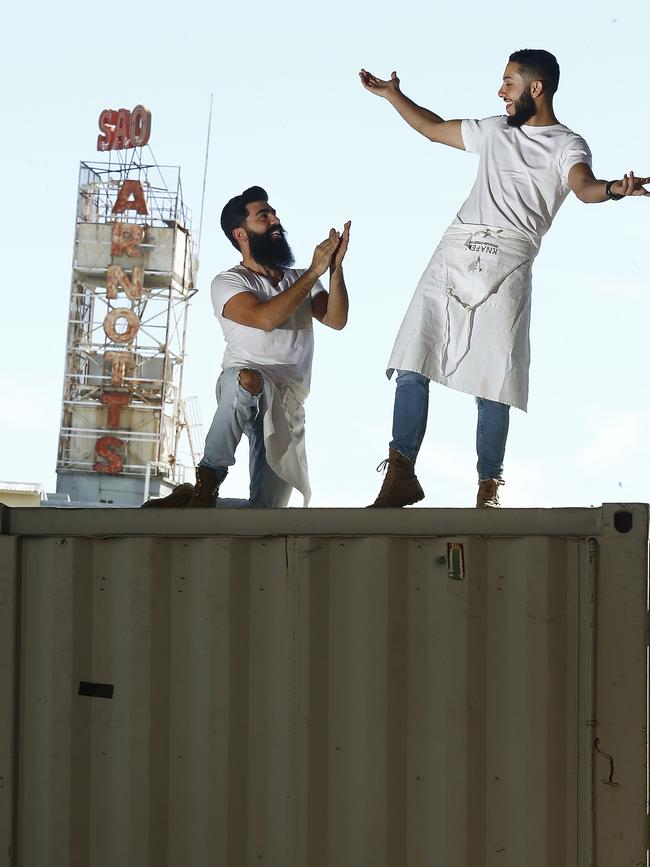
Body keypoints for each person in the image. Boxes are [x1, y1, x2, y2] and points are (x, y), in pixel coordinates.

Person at [359, 50, 649, 508]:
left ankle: (487, 488)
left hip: (510, 257)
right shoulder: (494, 129)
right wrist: (395, 96)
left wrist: (615, 189)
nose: (500, 92)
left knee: (494, 377)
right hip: (455, 248)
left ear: (536, 88)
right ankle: (400, 474)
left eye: (509, 83)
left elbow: (584, 187)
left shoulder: (567, 144)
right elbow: (433, 129)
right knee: (414, 359)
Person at [144, 185, 350, 508]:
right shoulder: (228, 282)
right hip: (241, 384)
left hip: (287, 402)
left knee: (266, 515)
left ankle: (187, 502)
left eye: (274, 213)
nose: (275, 220)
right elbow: (266, 318)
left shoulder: (300, 279)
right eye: (264, 216)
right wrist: (313, 272)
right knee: (249, 381)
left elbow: (336, 319)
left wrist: (334, 270)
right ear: (241, 233)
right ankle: (208, 477)